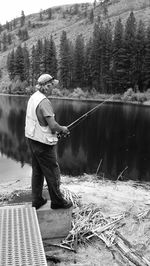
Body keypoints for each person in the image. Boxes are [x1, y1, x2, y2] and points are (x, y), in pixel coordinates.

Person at [25, 73, 73, 210]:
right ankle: (57, 202)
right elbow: (53, 126)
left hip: (32, 140)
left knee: (37, 171)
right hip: (43, 144)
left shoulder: (33, 97)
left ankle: (37, 200)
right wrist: (63, 129)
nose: (53, 88)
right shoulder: (44, 102)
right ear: (46, 86)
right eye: (52, 85)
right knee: (52, 172)